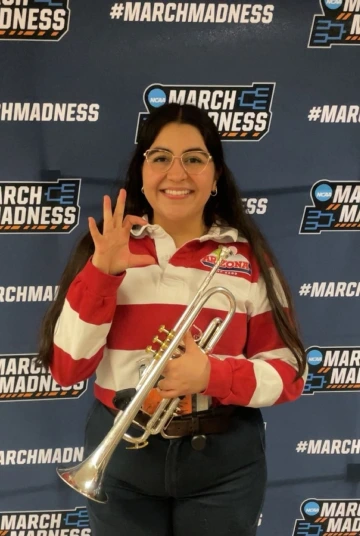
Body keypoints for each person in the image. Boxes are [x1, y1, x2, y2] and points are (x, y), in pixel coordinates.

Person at [36, 103, 307, 536]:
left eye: (194, 159)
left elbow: (289, 374)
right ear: (142, 171)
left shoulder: (247, 257)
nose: (176, 174)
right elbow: (68, 368)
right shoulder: (109, 248)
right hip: (122, 455)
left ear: (215, 175)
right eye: (160, 158)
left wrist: (211, 374)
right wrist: (102, 275)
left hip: (224, 463)